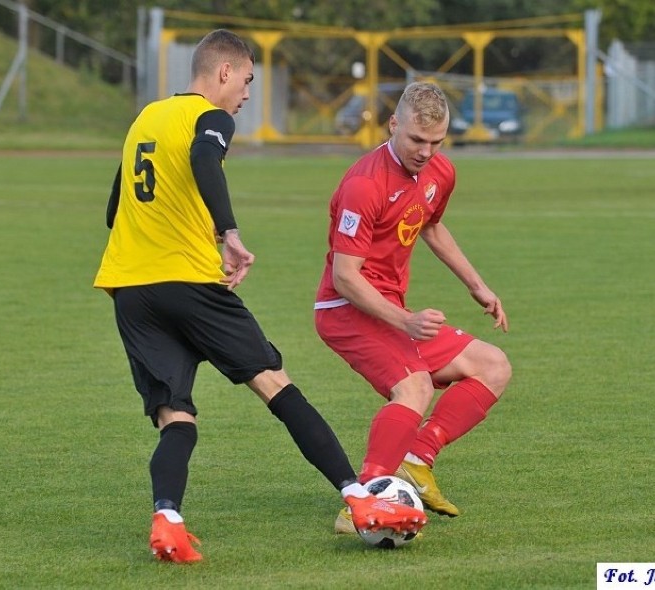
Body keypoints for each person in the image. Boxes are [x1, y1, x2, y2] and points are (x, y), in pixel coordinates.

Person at [93, 29, 426, 564]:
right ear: (223, 72)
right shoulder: (211, 118)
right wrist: (227, 233)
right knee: (275, 384)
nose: (247, 95)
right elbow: (205, 160)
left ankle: (168, 518)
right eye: (247, 81)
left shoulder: (144, 119)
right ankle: (361, 500)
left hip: (130, 289)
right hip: (191, 283)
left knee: (175, 416)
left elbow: (116, 210)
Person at [313, 81, 512, 534]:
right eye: (416, 140)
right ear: (393, 124)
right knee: (416, 387)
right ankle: (360, 503)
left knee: (493, 366)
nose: (426, 151)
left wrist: (477, 286)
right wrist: (406, 320)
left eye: (436, 141)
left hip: (392, 310)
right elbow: (346, 276)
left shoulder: (440, 172)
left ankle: (416, 461)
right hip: (344, 309)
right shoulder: (364, 184)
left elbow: (433, 227)